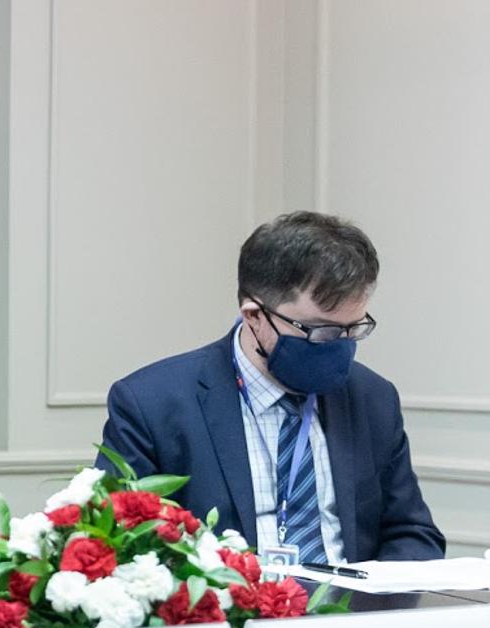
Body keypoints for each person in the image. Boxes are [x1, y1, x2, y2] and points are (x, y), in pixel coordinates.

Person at [99, 210, 443, 564]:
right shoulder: (152, 404)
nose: (338, 346)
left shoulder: (372, 398)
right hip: (232, 613)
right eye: (319, 331)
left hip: (353, 612)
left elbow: (411, 533)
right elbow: (124, 549)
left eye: (352, 329)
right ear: (253, 315)